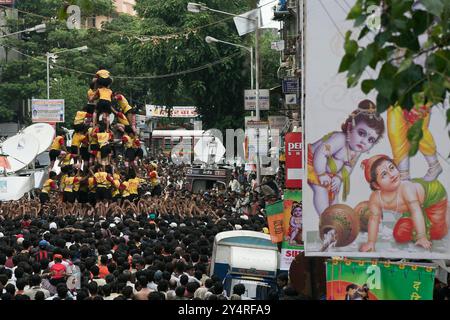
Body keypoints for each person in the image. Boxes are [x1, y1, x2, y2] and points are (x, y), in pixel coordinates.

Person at [307, 100, 385, 215]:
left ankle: (336, 217)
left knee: (334, 191)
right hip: (313, 163)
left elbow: (348, 166)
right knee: (321, 189)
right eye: (361, 133)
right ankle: (325, 217)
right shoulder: (340, 139)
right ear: (349, 128)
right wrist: (321, 174)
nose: (364, 141)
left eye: (370, 140)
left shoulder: (356, 150)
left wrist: (338, 177)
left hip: (328, 172)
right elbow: (321, 153)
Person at [359, 154, 448, 252]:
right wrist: (371, 242)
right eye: (384, 174)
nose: (392, 175)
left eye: (392, 168)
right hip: (412, 208)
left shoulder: (406, 188)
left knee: (438, 233)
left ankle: (446, 209)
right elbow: (373, 220)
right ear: (376, 185)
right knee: (400, 234)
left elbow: (416, 211)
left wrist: (421, 237)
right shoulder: (376, 198)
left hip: (433, 196)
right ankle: (422, 223)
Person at [387, 100, 442, 181]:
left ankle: (434, 165)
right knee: (395, 131)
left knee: (417, 129)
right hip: (396, 95)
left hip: (418, 95)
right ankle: (403, 174)